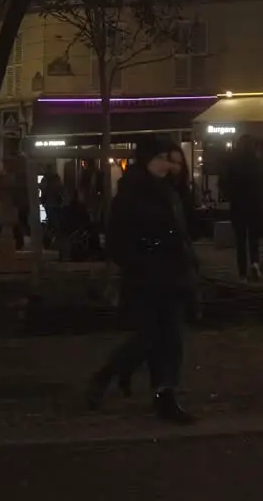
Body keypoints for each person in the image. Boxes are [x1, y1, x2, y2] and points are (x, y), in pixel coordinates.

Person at [88, 137, 197, 424]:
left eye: (171, 159)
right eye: (162, 158)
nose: (168, 165)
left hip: (173, 274)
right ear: (147, 160)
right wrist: (140, 262)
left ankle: (165, 395)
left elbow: (185, 230)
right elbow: (117, 240)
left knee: (171, 337)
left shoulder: (171, 191)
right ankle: (110, 373)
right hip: (146, 276)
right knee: (149, 337)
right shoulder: (132, 193)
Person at [221, 135, 263, 281]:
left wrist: (230, 196)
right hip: (255, 205)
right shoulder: (258, 161)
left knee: (240, 240)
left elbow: (224, 182)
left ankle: (242, 271)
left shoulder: (232, 161)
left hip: (238, 205)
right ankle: (254, 263)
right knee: (254, 238)